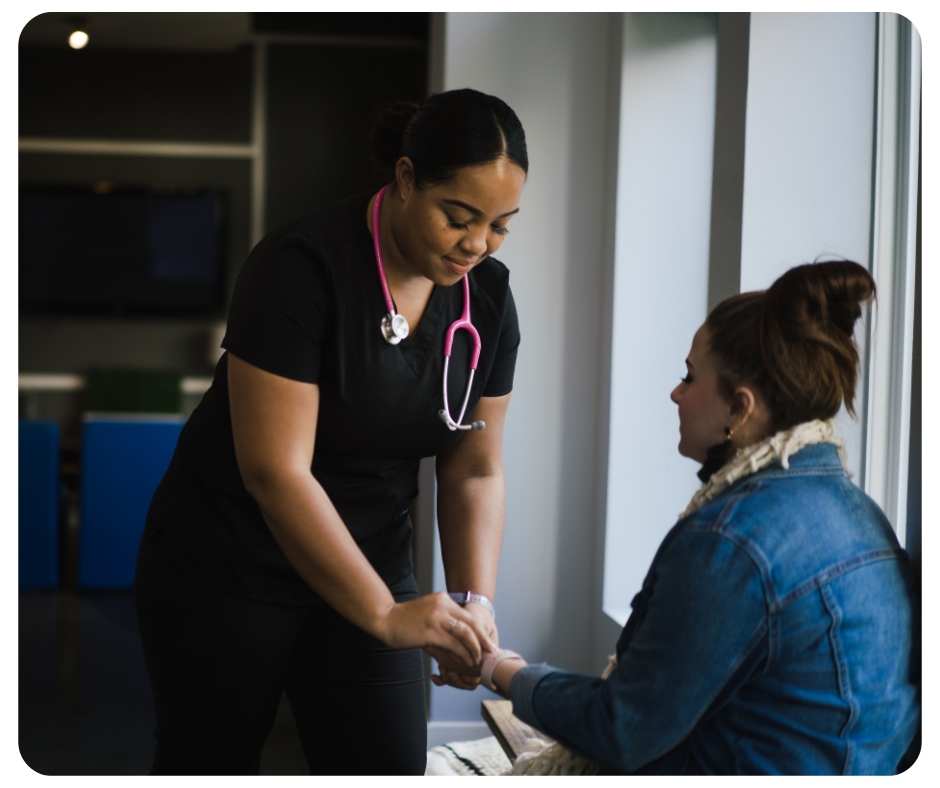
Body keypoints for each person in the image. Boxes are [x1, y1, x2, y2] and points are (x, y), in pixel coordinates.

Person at [133, 88, 528, 775]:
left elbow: (474, 467)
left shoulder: (486, 298)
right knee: (208, 762)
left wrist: (473, 601)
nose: (477, 244)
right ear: (405, 178)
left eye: (500, 224)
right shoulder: (299, 268)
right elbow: (275, 472)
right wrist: (384, 614)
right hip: (230, 561)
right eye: (458, 216)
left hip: (370, 549)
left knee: (383, 766)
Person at [465, 261, 920, 775]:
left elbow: (623, 729)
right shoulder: (864, 518)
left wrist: (500, 669)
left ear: (739, 409)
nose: (676, 394)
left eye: (689, 376)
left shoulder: (731, 542)